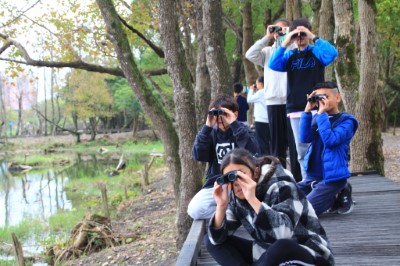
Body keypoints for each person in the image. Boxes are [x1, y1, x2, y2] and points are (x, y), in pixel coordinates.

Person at [205, 148, 334, 266]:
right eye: (230, 178)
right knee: (211, 240)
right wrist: (221, 206)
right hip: (270, 253)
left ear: (255, 172)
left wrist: (253, 200)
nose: (236, 183)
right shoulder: (236, 196)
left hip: (309, 253)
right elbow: (217, 238)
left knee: (282, 246)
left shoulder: (283, 185)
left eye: (240, 175)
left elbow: (283, 234)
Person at [268, 18, 338, 180]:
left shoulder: (316, 52)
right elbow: (273, 64)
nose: (300, 37)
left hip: (319, 106)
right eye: (296, 35)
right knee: (301, 150)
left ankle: (327, 183)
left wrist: (313, 36)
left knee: (324, 145)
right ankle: (309, 182)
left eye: (302, 34)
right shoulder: (289, 56)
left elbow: (332, 54)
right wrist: (286, 41)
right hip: (296, 108)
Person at [187, 94, 258, 220]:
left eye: (224, 114)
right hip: (218, 183)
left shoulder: (243, 131)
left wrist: (234, 124)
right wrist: (207, 127)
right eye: (216, 114)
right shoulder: (210, 134)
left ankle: (234, 213)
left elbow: (253, 151)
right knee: (195, 210)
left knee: (256, 207)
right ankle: (230, 213)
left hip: (241, 183)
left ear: (235, 114)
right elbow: (198, 155)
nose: (220, 118)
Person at [297, 81, 358, 216]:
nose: (322, 101)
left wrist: (321, 114)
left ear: (337, 97)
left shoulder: (347, 121)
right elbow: (304, 138)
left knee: (304, 213)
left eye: (326, 97)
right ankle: (335, 195)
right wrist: (307, 111)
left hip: (332, 178)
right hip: (312, 177)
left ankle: (338, 190)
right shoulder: (318, 118)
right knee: (285, 195)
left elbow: (331, 140)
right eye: (318, 98)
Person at [247, 76, 270, 155]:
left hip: (260, 120)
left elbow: (249, 99)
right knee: (268, 141)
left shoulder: (260, 92)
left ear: (260, 83)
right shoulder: (268, 91)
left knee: (261, 141)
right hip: (268, 119)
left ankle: (264, 158)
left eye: (256, 84)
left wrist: (251, 90)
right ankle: (269, 156)